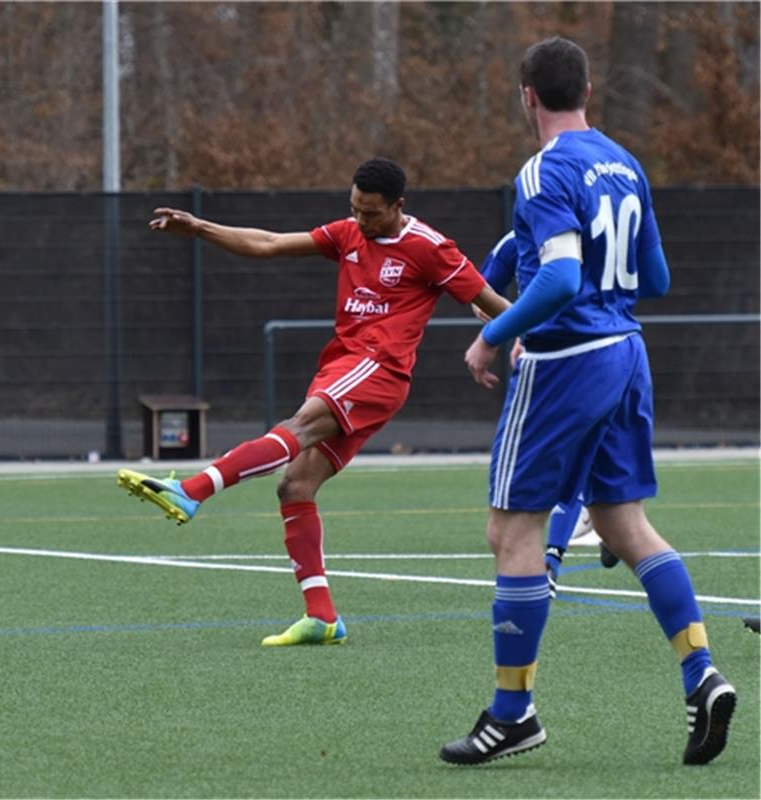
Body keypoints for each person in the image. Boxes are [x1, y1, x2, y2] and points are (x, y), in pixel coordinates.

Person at [440, 37, 736, 766]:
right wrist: (535, 253)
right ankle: (702, 674)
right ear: (589, 90)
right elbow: (654, 277)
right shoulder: (624, 163)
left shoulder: (542, 171)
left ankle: (513, 713)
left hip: (566, 362)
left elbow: (563, 280)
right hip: (626, 354)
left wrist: (493, 336)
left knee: (512, 532)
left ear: (526, 96)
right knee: (624, 524)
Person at [117, 157, 510, 647]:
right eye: (355, 209)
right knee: (295, 485)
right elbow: (270, 244)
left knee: (298, 424)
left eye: (372, 213)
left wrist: (523, 337)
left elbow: (492, 301)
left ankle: (192, 491)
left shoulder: (429, 248)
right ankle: (322, 616)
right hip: (344, 366)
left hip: (379, 370)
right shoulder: (348, 234)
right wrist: (200, 228)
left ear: (398, 206)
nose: (362, 222)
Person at [480, 231, 620, 593]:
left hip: (559, 363)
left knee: (558, 465)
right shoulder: (595, 228)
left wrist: (519, 331)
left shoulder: (532, 231)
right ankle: (607, 529)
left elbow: (487, 297)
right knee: (590, 463)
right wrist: (522, 326)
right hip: (617, 355)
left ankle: (552, 562)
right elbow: (480, 293)